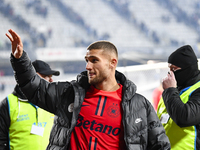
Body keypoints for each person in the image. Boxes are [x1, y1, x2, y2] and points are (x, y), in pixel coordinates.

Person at [6, 29, 170, 150]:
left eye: (94, 60)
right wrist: (20, 60)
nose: (87, 66)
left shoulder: (140, 105)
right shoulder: (70, 94)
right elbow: (36, 89)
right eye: (86, 60)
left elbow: (160, 145)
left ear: (112, 63)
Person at [0, 59, 60, 150]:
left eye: (51, 76)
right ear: (30, 77)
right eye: (45, 76)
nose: (51, 80)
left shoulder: (56, 103)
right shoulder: (9, 103)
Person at [157, 45, 200, 150]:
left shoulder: (196, 90)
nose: (170, 73)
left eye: (174, 69)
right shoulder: (171, 92)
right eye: (169, 69)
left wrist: (169, 90)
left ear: (188, 69)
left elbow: (184, 118)